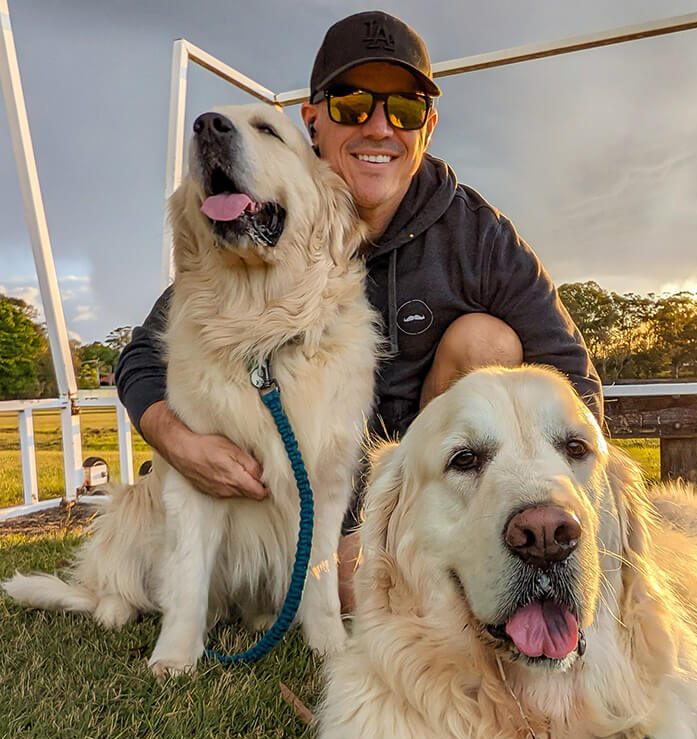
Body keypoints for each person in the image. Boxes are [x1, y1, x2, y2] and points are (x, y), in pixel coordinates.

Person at [115, 11, 603, 610]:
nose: (379, 128)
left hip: (421, 499)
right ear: (313, 120)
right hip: (298, 505)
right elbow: (143, 353)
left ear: (428, 125)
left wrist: (564, 503)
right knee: (347, 586)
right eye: (352, 104)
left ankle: (447, 546)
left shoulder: (477, 236)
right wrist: (177, 440)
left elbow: (570, 374)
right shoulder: (267, 216)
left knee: (486, 341)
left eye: (404, 109)